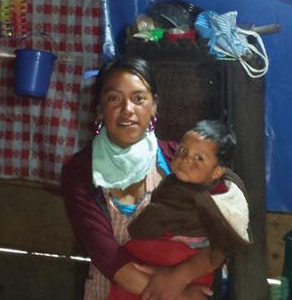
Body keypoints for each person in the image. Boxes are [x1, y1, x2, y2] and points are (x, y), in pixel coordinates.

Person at [60, 57, 219, 300]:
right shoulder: (79, 172)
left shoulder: (180, 160)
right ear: (100, 108)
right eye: (114, 98)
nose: (127, 109)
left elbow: (228, 231)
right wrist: (181, 296)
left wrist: (181, 274)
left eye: (139, 98)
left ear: (154, 106)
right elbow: (108, 258)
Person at [110, 120, 251, 300]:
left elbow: (222, 243)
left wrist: (180, 274)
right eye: (183, 151)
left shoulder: (220, 199)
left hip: (187, 258)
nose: (185, 160)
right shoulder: (173, 182)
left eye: (199, 158)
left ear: (216, 172)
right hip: (152, 259)